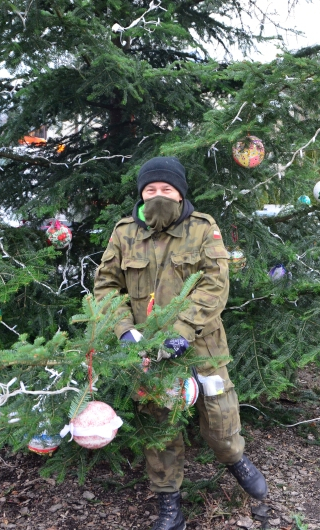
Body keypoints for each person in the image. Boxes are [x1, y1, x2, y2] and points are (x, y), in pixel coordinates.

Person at [94, 156, 267, 530]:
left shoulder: (202, 229)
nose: (158, 195)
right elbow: (106, 286)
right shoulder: (124, 233)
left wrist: (183, 330)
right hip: (148, 353)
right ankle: (169, 505)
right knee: (159, 431)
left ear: (180, 193)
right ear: (141, 194)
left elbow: (215, 284)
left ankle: (235, 458)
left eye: (166, 189)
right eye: (150, 189)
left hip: (203, 346)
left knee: (220, 418)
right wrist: (124, 330)